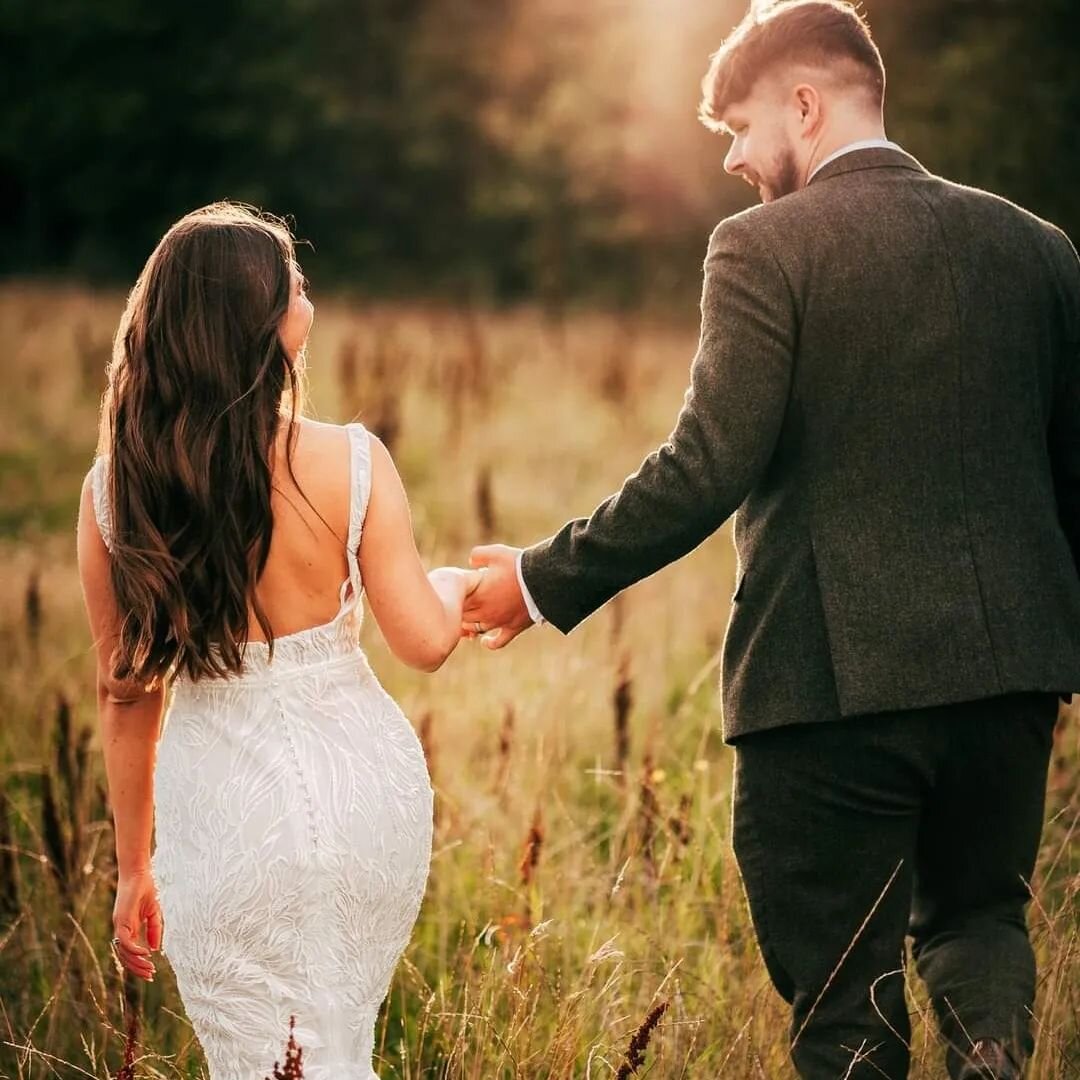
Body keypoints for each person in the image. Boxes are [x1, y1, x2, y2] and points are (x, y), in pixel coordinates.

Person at [461, 2, 1080, 1077]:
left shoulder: (762, 247)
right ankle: (991, 1063)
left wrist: (538, 579)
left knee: (846, 1007)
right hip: (1009, 690)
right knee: (983, 924)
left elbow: (706, 464)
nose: (738, 160)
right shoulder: (1038, 249)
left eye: (742, 128)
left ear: (806, 101)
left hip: (830, 695)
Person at [76, 202, 480, 1079]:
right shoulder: (353, 460)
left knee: (266, 1061)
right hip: (363, 798)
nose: (310, 292)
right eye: (295, 281)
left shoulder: (116, 492)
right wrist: (453, 585)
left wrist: (133, 868)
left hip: (222, 814)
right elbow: (422, 639)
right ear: (263, 322)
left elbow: (126, 695)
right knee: (340, 1043)